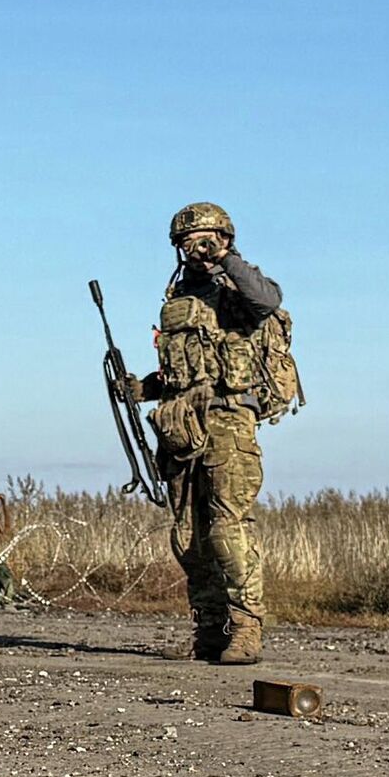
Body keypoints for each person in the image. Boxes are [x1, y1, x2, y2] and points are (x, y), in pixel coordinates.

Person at [124, 202, 285, 665]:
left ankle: (247, 628)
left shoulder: (239, 289)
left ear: (225, 238)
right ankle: (209, 629)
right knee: (188, 536)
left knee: (227, 530)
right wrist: (140, 388)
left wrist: (225, 259)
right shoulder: (176, 300)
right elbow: (179, 374)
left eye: (205, 240)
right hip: (182, 427)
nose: (195, 250)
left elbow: (269, 301)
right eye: (188, 243)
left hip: (229, 423)